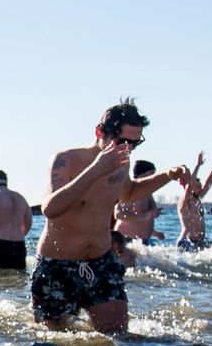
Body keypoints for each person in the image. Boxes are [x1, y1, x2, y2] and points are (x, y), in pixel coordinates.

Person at [35, 101, 189, 331]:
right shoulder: (66, 160)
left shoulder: (121, 163)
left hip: (101, 261)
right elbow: (50, 208)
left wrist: (168, 175)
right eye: (123, 141)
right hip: (58, 263)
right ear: (100, 132)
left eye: (135, 143)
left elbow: (129, 193)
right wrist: (96, 169)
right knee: (56, 342)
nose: (128, 149)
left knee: (118, 337)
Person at [175, 151, 212, 249]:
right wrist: (198, 165)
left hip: (199, 242)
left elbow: (209, 183)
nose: (201, 189)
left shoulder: (197, 198)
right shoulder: (185, 199)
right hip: (187, 242)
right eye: (198, 187)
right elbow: (190, 185)